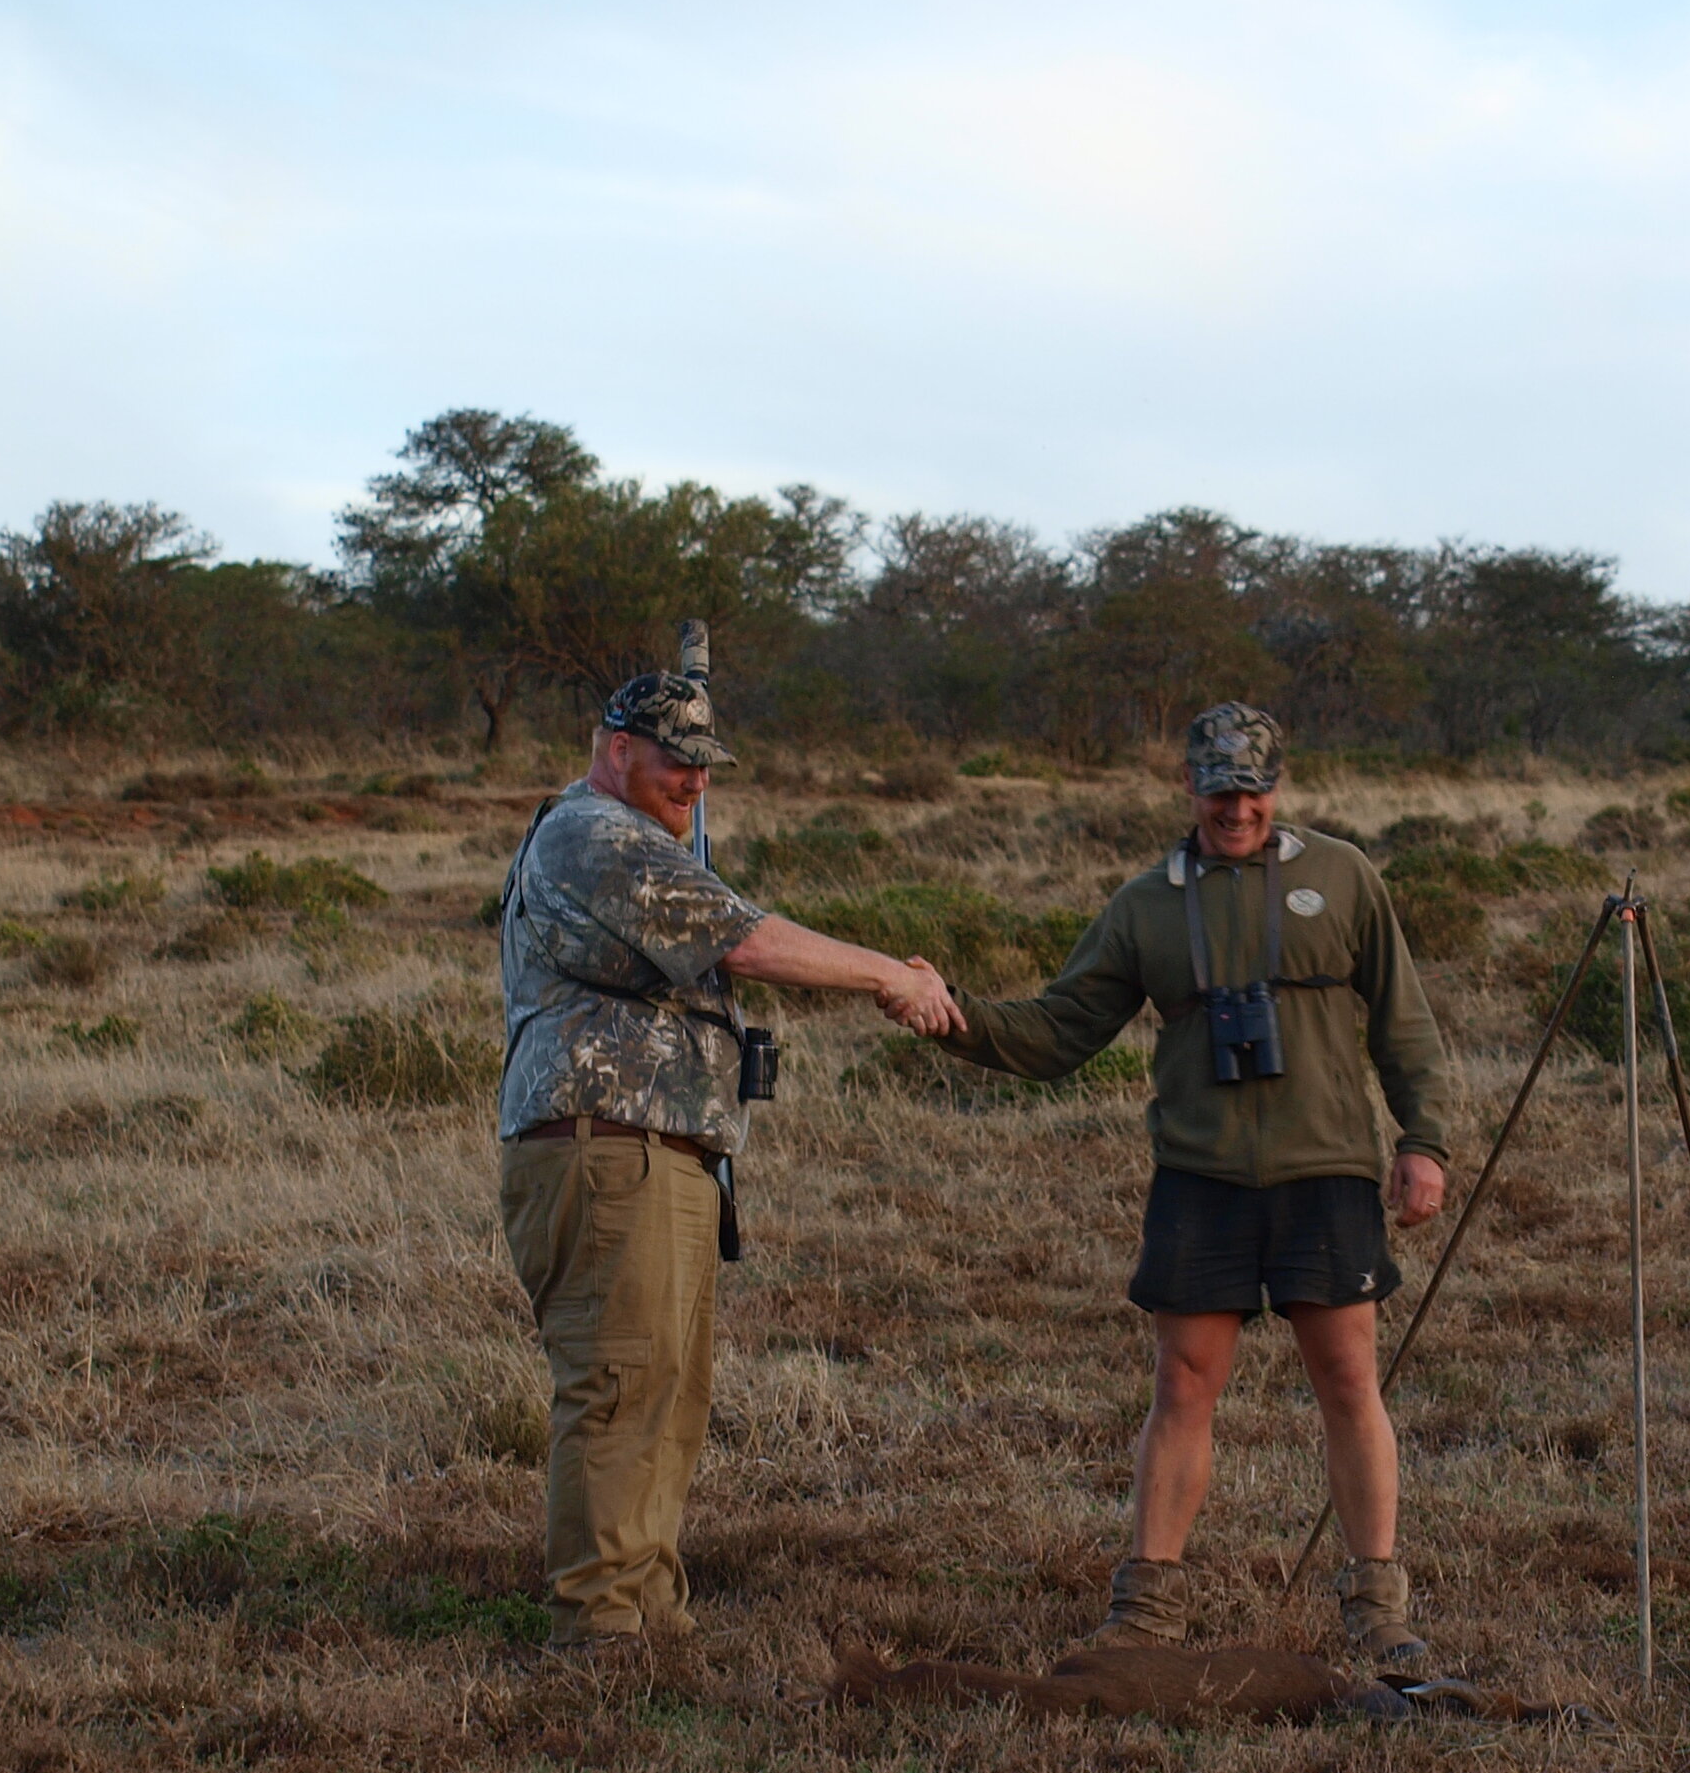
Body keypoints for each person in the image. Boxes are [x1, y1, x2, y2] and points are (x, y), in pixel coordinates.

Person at [934, 702, 1454, 1671]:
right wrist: (948, 1016)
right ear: (1189, 786)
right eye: (1219, 787)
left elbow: (1404, 1023)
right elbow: (1057, 1032)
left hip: (1327, 1171)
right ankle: (1147, 1614)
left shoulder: (1342, 876)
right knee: (1183, 1383)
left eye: (1253, 788)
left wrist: (1423, 1142)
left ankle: (1379, 1610)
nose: (1237, 807)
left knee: (1347, 1381)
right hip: (1202, 1178)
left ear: (1277, 786)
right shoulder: (1144, 905)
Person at [498, 669, 964, 1652]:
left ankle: (647, 1606)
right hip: (607, 1142)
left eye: (705, 767)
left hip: (655, 1147)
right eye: (676, 762)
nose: (693, 785)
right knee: (622, 1385)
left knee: (667, 1386)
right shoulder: (597, 836)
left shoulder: (624, 833)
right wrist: (889, 975)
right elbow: (746, 945)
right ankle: (599, 1626)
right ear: (615, 747)